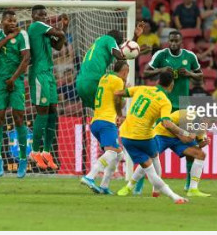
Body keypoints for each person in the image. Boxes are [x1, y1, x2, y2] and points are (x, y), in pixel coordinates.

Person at [115, 70, 191, 204]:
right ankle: (171, 196)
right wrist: (184, 133)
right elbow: (167, 123)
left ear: (157, 81)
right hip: (144, 137)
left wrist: (119, 114)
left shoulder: (142, 88)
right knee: (154, 159)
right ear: (171, 85)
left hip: (125, 136)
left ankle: (153, 191)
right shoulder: (164, 101)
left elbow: (118, 93)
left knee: (150, 167)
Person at [143, 31, 203, 192]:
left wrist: (189, 74)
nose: (174, 43)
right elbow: (145, 73)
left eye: (176, 41)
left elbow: (200, 77)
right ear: (168, 41)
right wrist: (161, 70)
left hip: (184, 106)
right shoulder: (161, 55)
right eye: (171, 41)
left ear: (181, 41)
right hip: (163, 106)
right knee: (152, 148)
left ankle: (189, 183)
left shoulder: (190, 56)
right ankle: (139, 185)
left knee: (190, 147)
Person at [0, 11, 30, 178]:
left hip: (16, 80)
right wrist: (8, 37)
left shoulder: (22, 34)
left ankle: (23, 158)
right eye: (9, 20)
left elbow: (26, 59)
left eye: (14, 20)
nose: (13, 23)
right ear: (2, 21)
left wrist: (13, 79)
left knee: (18, 117)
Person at [27, 6, 69, 171]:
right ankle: (35, 151)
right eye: (40, 14)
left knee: (53, 111)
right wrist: (61, 25)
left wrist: (64, 27)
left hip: (49, 74)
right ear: (33, 16)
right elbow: (59, 34)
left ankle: (47, 151)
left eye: (45, 14)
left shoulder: (44, 32)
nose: (43, 16)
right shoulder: (36, 26)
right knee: (42, 112)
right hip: (38, 74)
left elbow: (58, 46)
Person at [80, 61, 129, 194]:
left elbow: (115, 99)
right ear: (124, 72)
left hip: (96, 121)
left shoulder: (105, 77)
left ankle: (104, 185)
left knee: (118, 154)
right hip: (107, 122)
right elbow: (119, 101)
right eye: (127, 73)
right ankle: (90, 176)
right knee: (112, 152)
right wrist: (120, 115)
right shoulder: (118, 80)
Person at [76, 23, 145, 109]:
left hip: (80, 83)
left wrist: (135, 38)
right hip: (94, 80)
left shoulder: (99, 44)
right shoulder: (109, 39)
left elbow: (124, 52)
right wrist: (134, 53)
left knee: (99, 112)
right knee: (116, 105)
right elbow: (120, 56)